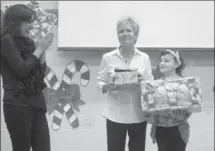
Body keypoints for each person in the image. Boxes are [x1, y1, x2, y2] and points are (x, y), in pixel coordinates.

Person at [1, 4, 54, 151]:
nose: (31, 26)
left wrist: (42, 52)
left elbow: (40, 75)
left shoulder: (30, 42)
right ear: (15, 22)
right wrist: (39, 49)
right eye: (28, 22)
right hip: (17, 105)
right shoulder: (6, 41)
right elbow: (22, 70)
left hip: (36, 103)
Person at [97, 16, 153, 151]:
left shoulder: (144, 58)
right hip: (114, 114)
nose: (124, 34)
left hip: (138, 113)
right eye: (121, 31)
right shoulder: (108, 57)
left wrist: (142, 83)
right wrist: (107, 86)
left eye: (129, 31)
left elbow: (150, 84)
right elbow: (100, 80)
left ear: (136, 35)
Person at [142, 49, 202, 151]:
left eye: (166, 60)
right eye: (160, 60)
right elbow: (149, 109)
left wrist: (183, 116)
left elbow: (191, 105)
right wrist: (151, 117)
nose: (162, 63)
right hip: (161, 129)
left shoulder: (185, 84)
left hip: (179, 128)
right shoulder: (154, 85)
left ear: (176, 64)